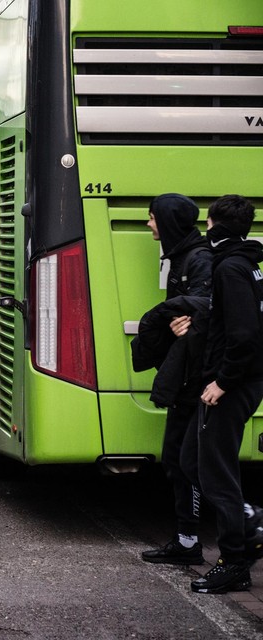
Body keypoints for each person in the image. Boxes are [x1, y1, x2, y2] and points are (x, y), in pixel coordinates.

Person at [182, 195, 263, 594]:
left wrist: (223, 381)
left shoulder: (231, 267)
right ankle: (248, 526)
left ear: (213, 225)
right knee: (192, 461)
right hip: (228, 384)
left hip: (230, 387)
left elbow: (245, 335)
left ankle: (235, 560)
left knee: (217, 477)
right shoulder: (242, 264)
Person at [134, 194, 212, 566]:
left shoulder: (198, 259)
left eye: (151, 218)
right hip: (186, 378)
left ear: (165, 222)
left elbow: (206, 309)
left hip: (197, 381)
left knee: (188, 463)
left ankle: (238, 524)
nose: (148, 225)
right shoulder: (183, 256)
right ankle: (186, 540)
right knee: (176, 461)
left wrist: (186, 318)